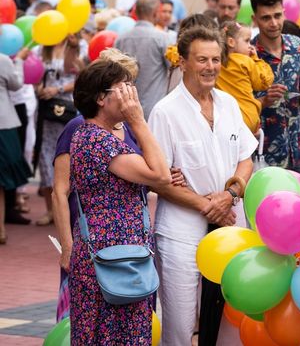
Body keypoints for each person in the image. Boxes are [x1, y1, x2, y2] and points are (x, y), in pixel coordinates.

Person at [149, 26, 258, 346]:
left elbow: (246, 158)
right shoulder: (165, 112)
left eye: (216, 59)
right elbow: (160, 180)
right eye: (202, 60)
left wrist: (230, 195)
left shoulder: (229, 104)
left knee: (230, 317)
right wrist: (210, 207)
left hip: (230, 222)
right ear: (183, 62)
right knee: (180, 324)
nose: (210, 67)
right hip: (181, 228)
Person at [68, 58, 170, 345]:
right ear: (101, 98)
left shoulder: (90, 136)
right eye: (124, 88)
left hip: (117, 255)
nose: (131, 96)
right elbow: (160, 175)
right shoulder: (99, 141)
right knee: (112, 335)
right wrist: (138, 120)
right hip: (112, 259)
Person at [251, 0, 300, 173]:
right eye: (266, 18)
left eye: (277, 15)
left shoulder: (297, 46)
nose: (274, 23)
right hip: (263, 154)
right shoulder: (248, 54)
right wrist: (264, 100)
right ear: (255, 19)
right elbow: (238, 108)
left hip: (299, 148)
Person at [34, 36, 83, 226]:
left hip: (67, 108)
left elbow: (80, 76)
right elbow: (34, 75)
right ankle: (50, 210)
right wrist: (40, 88)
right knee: (45, 156)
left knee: (68, 155)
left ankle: (69, 209)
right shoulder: (41, 49)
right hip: (45, 110)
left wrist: (58, 89)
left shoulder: (76, 46)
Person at [115, 0, 170, 119]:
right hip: (154, 108)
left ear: (136, 12)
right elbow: (173, 71)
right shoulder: (162, 38)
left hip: (124, 108)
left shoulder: (121, 39)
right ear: (155, 13)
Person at [216, 20, 274, 134]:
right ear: (231, 42)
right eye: (247, 41)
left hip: (225, 121)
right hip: (247, 117)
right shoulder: (245, 61)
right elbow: (264, 82)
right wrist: (256, 59)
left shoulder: (217, 63)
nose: (250, 46)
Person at [0, 51, 32, 242]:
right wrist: (19, 61)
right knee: (3, 179)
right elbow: (17, 84)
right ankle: (1, 230)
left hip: (4, 124)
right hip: (4, 125)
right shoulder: (3, 60)